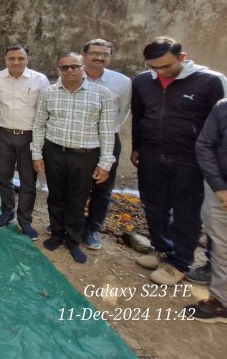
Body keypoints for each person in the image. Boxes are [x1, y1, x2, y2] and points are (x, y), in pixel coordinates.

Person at [131, 37, 226, 285]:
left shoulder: (210, 81)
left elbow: (220, 126)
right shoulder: (143, 81)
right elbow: (139, 116)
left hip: (191, 160)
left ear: (182, 58)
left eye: (166, 66)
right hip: (151, 155)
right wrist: (137, 147)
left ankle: (180, 262)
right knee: (154, 206)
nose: (160, 72)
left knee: (187, 212)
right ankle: (162, 249)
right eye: (154, 67)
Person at [31, 52, 115, 264]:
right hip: (55, 151)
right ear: (58, 70)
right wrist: (37, 154)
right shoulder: (49, 93)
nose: (69, 71)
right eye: (64, 67)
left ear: (82, 67)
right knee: (56, 196)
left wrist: (106, 163)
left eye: (74, 66)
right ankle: (57, 234)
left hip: (85, 155)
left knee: (77, 199)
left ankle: (74, 240)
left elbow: (106, 131)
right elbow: (39, 125)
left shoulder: (101, 94)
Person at [0, 44, 49, 239]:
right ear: (5, 60)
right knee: (4, 177)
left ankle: (25, 221)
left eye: (20, 58)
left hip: (30, 136)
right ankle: (6, 213)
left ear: (27, 59)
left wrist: (41, 139)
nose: (16, 62)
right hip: (2, 134)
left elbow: (45, 110)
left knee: (29, 181)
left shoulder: (40, 80)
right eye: (12, 58)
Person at [80, 39, 132, 250]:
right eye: (94, 53)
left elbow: (123, 110)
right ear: (83, 54)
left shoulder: (122, 82)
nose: (99, 57)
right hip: (78, 140)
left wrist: (106, 133)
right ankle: (69, 224)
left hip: (107, 140)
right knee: (75, 185)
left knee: (102, 187)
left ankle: (92, 228)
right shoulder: (71, 75)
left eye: (105, 54)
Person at [183, 99, 227, 323]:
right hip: (220, 191)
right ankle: (221, 301)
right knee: (221, 246)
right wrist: (220, 187)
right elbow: (206, 145)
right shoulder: (223, 107)